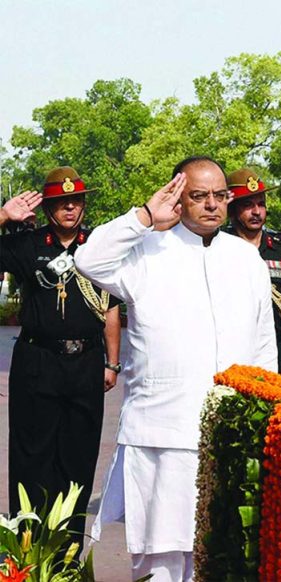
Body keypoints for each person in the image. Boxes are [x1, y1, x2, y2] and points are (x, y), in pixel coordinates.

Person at [75, 156, 276, 581]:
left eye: (220, 196)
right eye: (198, 196)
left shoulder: (246, 259)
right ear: (178, 199)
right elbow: (88, 260)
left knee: (222, 551)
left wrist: (265, 414)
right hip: (161, 433)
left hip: (228, 431)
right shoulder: (147, 249)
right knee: (161, 557)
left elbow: (263, 347)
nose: (211, 205)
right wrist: (145, 217)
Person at [1, 167, 122, 550]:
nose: (70, 208)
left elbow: (111, 308)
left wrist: (112, 361)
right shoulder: (27, 244)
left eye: (76, 201)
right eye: (61, 202)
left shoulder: (98, 248)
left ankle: (68, 555)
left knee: (78, 459)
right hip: (37, 362)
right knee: (31, 459)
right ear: (49, 207)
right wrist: (3, 217)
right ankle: (29, 551)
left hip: (86, 363)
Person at [225, 168, 281, 375]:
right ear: (231, 210)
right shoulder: (217, 248)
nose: (256, 212)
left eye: (261, 204)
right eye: (248, 206)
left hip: (270, 352)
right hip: (227, 350)